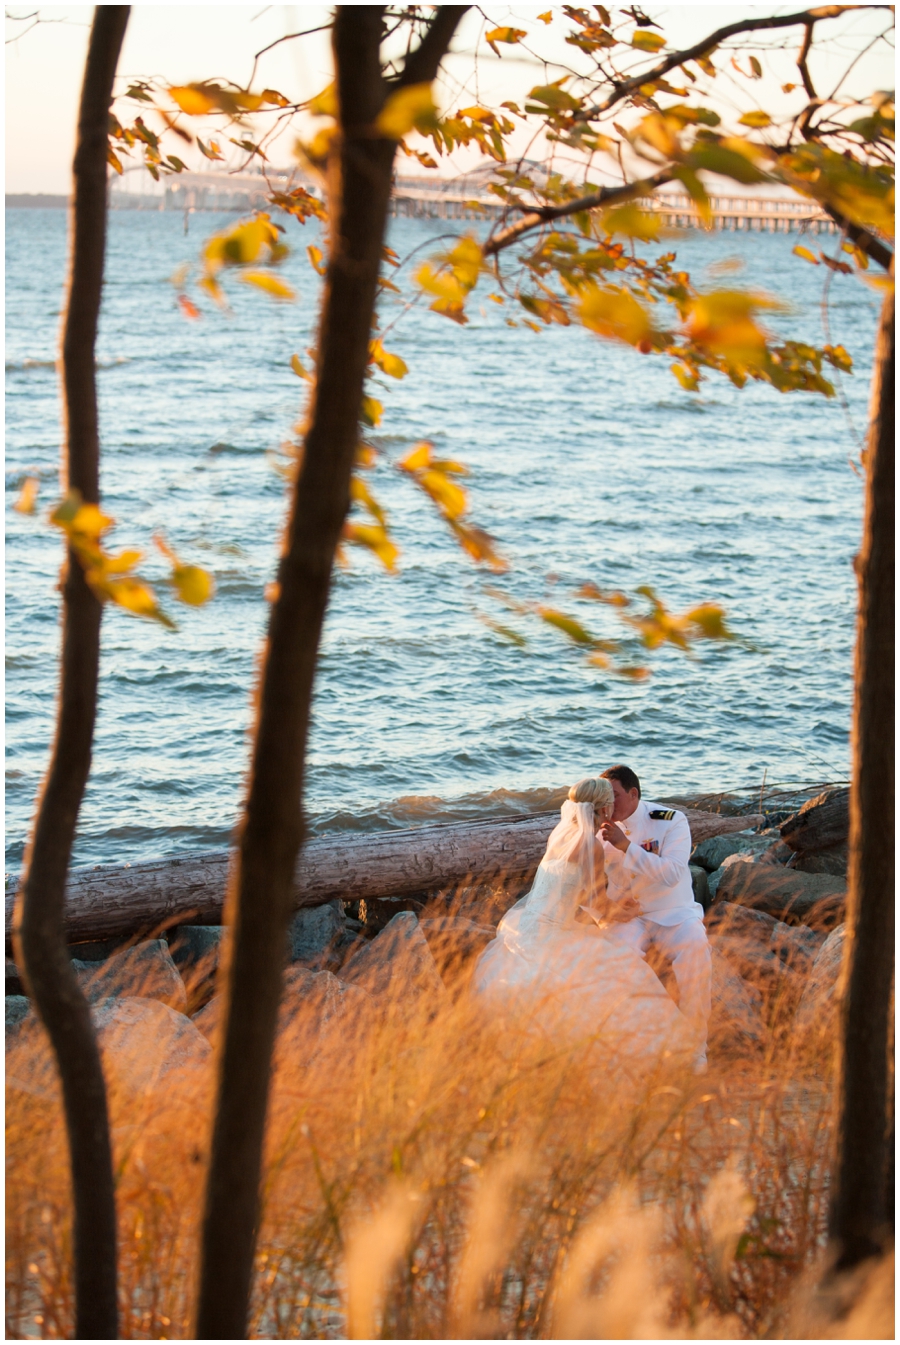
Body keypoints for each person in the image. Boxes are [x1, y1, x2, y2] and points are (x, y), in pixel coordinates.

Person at [472, 775, 693, 1073]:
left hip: (527, 925)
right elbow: (601, 906)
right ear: (602, 810)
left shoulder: (561, 836)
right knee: (622, 969)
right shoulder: (591, 846)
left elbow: (581, 896)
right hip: (553, 933)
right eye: (609, 806)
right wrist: (628, 910)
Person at [596, 765, 711, 1074]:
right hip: (627, 918)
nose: (608, 804)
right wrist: (608, 910)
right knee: (616, 962)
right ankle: (633, 1046)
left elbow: (673, 873)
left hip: (672, 912)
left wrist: (625, 845)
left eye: (615, 796)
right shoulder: (599, 829)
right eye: (604, 797)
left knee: (696, 952)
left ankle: (696, 1049)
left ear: (633, 794)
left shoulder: (670, 821)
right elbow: (589, 884)